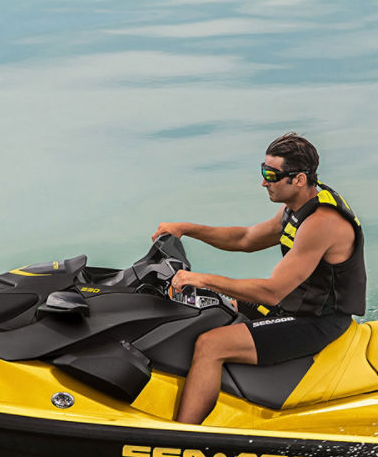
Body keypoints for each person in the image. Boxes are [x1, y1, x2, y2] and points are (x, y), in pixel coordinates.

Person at [152, 132, 366, 425]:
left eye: (271, 175)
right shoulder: (298, 207)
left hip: (317, 321)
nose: (264, 182)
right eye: (263, 171)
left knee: (211, 345)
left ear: (299, 179)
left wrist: (204, 279)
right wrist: (186, 229)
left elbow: (272, 291)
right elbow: (246, 238)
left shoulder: (322, 223)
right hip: (293, 306)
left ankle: (182, 435)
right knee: (212, 306)